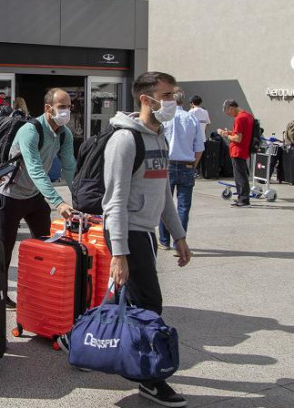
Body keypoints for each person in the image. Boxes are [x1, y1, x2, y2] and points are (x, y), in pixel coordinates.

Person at [59, 72, 192, 408]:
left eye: (174, 94)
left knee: (122, 298)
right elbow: (114, 200)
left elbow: (162, 190)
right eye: (166, 95)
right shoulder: (125, 141)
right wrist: (119, 254)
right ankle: (150, 380)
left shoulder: (158, 136)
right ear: (145, 99)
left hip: (144, 232)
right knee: (150, 305)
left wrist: (178, 235)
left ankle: (76, 340)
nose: (172, 101)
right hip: (127, 230)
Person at [0, 88, 76, 308]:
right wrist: (58, 202)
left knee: (45, 245)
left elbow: (69, 167)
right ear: (48, 109)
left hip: (34, 196)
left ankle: (41, 291)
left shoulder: (64, 133)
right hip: (10, 195)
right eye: (62, 107)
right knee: (4, 250)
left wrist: (79, 198)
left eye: (69, 106)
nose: (67, 111)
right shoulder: (30, 131)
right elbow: (35, 170)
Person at [158, 87, 204, 250]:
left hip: (166, 165)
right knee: (184, 207)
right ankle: (180, 242)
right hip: (187, 165)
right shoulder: (192, 119)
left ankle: (164, 240)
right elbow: (199, 147)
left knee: (164, 205)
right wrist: (193, 165)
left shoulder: (163, 119)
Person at [218, 99, 254, 207]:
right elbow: (242, 133)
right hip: (244, 150)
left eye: (228, 113)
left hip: (238, 150)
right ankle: (242, 198)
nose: (229, 115)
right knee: (241, 174)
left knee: (240, 176)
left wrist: (225, 135)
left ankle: (243, 199)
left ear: (231, 108)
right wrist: (229, 132)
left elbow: (238, 138)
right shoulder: (248, 116)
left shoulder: (239, 118)